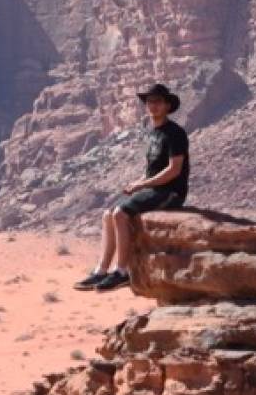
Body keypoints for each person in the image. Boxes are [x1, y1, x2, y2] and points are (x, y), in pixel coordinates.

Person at [75, 83, 189, 292]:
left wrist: (142, 184)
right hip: (154, 189)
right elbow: (153, 171)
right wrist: (137, 183)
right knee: (108, 215)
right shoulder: (154, 133)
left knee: (120, 213)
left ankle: (122, 271)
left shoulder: (175, 133)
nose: (153, 105)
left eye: (158, 101)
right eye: (149, 101)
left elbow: (174, 170)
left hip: (171, 192)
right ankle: (101, 271)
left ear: (167, 106)